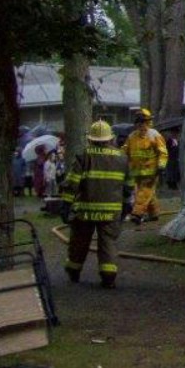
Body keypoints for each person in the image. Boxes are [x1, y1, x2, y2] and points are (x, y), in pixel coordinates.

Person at [64, 120, 128, 288]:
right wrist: (127, 205)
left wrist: (65, 205)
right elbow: (129, 185)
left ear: (90, 139)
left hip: (85, 210)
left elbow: (72, 183)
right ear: (110, 139)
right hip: (111, 211)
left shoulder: (83, 155)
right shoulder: (122, 157)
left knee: (79, 241)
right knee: (108, 243)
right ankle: (108, 277)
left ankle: (74, 271)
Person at [123, 107, 169, 224]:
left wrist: (161, 165)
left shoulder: (154, 135)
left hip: (151, 171)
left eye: (143, 122)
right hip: (137, 172)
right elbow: (125, 151)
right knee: (149, 193)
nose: (141, 125)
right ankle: (154, 214)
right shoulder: (132, 136)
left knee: (143, 192)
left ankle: (137, 214)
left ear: (148, 122)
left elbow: (163, 152)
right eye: (139, 122)